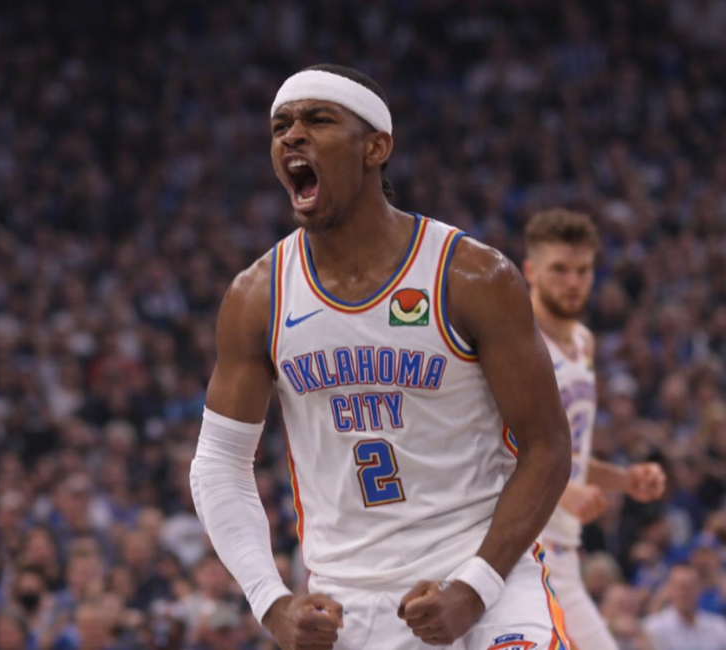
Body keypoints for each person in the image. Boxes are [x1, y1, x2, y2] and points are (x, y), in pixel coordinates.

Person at [189, 64, 574, 650]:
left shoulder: (471, 275)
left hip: (484, 574)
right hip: (348, 603)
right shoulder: (258, 296)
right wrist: (271, 602)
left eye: (318, 120)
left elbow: (547, 447)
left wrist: (473, 588)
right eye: (280, 125)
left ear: (376, 147)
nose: (292, 136)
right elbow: (218, 462)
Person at [523, 208, 667, 650]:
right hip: (522, 550)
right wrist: (563, 491)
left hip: (563, 553)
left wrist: (625, 480)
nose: (573, 281)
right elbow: (499, 448)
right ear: (530, 270)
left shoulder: (583, 341)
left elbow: (570, 454)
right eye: (559, 269)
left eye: (582, 270)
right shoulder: (516, 343)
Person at [642, 565, 726, 650]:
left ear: (699, 589)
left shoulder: (718, 626)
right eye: (680, 586)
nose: (684, 592)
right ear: (669, 589)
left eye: (690, 587)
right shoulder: (652, 628)